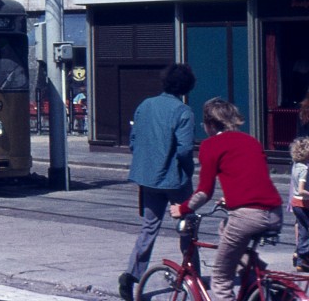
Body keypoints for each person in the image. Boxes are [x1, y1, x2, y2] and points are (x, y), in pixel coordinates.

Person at [169, 99, 283, 301]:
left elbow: (204, 192)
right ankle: (256, 279)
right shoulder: (251, 140)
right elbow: (255, 179)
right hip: (275, 212)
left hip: (248, 216)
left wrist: (183, 209)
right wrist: (232, 198)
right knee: (225, 227)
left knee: (220, 279)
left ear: (210, 124)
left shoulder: (210, 145)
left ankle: (251, 282)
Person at [118, 63, 198, 301]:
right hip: (175, 179)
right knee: (187, 226)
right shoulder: (183, 111)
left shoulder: (145, 105)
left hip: (148, 177)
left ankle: (131, 274)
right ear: (186, 87)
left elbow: (133, 140)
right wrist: (188, 171)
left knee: (149, 228)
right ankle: (191, 274)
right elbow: (184, 150)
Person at [290, 137, 309, 271]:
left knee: (303, 230)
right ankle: (303, 256)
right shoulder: (304, 169)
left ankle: (300, 259)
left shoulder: (295, 165)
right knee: (306, 231)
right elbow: (302, 190)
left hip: (295, 202)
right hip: (303, 204)